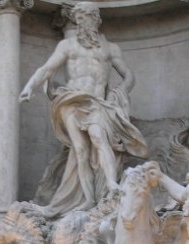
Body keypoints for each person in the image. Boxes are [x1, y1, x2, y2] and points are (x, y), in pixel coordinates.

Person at [19, 2, 149, 217]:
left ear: (96, 19)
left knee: (99, 138)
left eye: (87, 16)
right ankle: (88, 198)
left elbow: (129, 76)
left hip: (96, 102)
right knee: (80, 150)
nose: (82, 21)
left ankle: (111, 185)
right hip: (71, 100)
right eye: (79, 18)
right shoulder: (67, 46)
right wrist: (29, 87)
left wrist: (119, 95)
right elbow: (47, 68)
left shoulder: (110, 48)